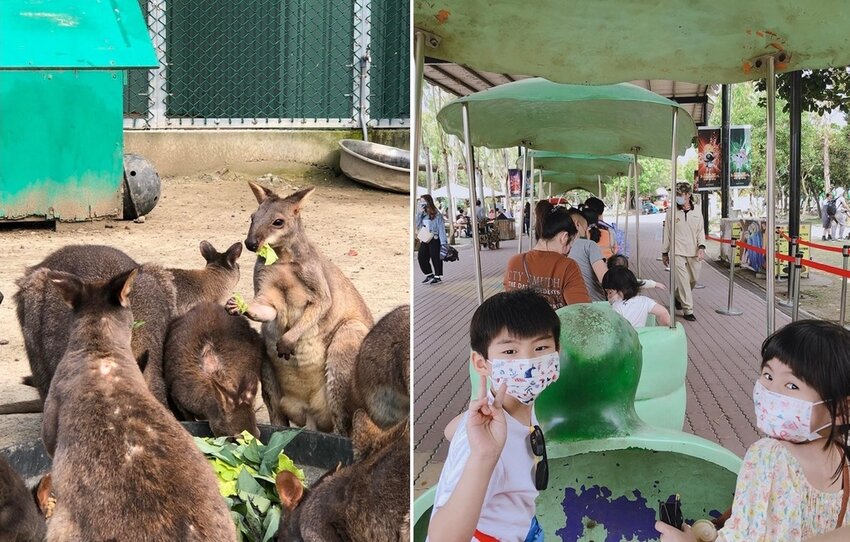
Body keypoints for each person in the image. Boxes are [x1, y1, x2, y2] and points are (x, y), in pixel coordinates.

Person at [657, 320, 850, 541]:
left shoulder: (768, 455)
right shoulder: (844, 459)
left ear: (841, 410)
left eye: (792, 385)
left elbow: (743, 537)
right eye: (768, 376)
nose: (769, 391)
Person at [427, 289, 560, 542]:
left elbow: (448, 430)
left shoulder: (514, 408)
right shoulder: (484, 445)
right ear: (481, 364)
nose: (529, 362)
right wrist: (484, 455)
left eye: (541, 347)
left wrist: (466, 423)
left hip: (520, 527)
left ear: (557, 352)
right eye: (510, 352)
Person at [504, 204, 591, 310]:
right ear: (564, 237)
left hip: (518, 326)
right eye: (570, 244)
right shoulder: (567, 266)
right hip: (553, 326)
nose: (569, 250)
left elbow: (508, 303)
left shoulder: (514, 262)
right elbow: (582, 310)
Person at [661, 182, 705, 322]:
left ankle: (677, 297)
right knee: (684, 281)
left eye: (680, 194)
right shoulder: (671, 212)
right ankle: (688, 310)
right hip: (677, 251)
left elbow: (700, 231)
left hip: (693, 251)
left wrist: (701, 247)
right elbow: (667, 233)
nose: (678, 197)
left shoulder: (697, 210)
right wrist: (664, 252)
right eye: (676, 194)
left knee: (693, 280)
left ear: (688, 195)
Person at [601, 266, 670, 328]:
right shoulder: (645, 301)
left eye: (610, 293)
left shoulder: (617, 307)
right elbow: (663, 313)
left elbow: (614, 328)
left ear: (622, 290)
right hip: (641, 338)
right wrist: (665, 328)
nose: (608, 296)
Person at [564, 207, 608, 302]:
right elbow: (606, 280)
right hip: (595, 306)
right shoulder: (589, 245)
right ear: (577, 224)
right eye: (586, 228)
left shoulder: (558, 249)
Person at [417, 194, 448, 284]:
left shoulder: (436, 213)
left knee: (435, 257)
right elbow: (416, 224)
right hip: (425, 237)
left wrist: (443, 242)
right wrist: (419, 213)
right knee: (421, 256)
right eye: (421, 201)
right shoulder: (422, 213)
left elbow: (441, 228)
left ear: (428, 201)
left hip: (435, 237)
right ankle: (429, 274)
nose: (422, 203)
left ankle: (437, 276)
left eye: (423, 201)